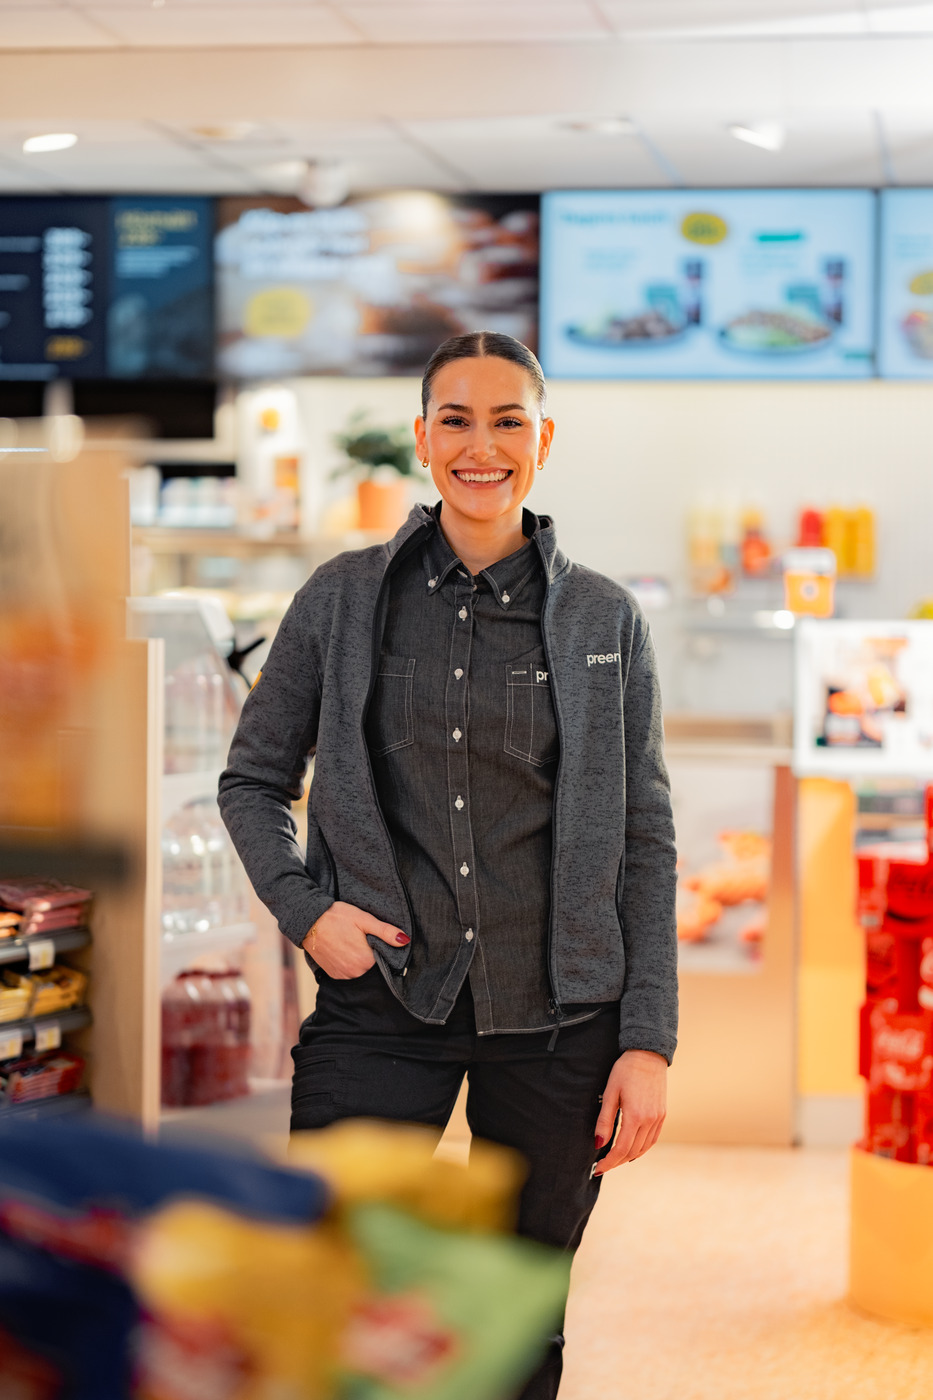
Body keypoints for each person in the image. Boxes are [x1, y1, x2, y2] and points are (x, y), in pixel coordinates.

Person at [218, 331, 678, 1400]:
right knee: (339, 1299)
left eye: (508, 419)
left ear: (543, 440)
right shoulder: (340, 598)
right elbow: (253, 780)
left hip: (562, 1018)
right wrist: (305, 909)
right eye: (458, 420)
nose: (483, 444)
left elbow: (646, 837)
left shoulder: (604, 618)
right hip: (379, 1003)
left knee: (516, 1327)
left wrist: (647, 1037)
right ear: (424, 439)